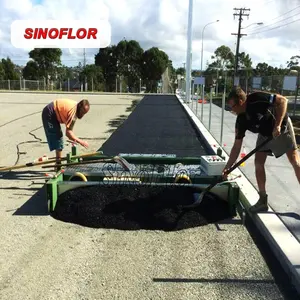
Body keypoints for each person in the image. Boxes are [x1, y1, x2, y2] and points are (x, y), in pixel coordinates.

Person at [223, 87, 300, 213]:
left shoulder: (256, 98)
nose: (232, 110)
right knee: (258, 162)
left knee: (294, 162)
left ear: (241, 101)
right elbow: (237, 146)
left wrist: (278, 125)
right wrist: (228, 167)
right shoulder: (241, 120)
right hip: (265, 133)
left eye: (233, 106)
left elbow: (283, 101)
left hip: (281, 127)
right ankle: (263, 200)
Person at [42, 98, 90, 169]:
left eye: (84, 113)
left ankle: (58, 162)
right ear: (79, 107)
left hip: (53, 111)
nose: (82, 115)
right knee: (58, 138)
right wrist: (81, 142)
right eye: (82, 112)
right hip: (49, 113)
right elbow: (68, 133)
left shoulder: (76, 108)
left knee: (59, 138)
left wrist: (75, 139)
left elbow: (70, 130)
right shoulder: (73, 113)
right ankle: (58, 164)